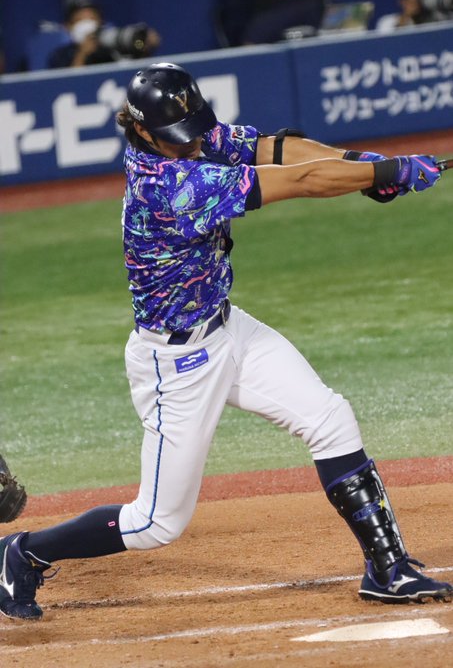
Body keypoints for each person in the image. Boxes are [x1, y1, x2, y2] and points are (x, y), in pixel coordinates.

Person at [0, 62, 451, 621]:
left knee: (330, 418)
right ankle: (22, 553)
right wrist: (386, 171)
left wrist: (363, 164)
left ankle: (387, 569)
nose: (193, 144)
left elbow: (275, 150)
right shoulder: (167, 188)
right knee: (155, 523)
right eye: (178, 137)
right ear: (140, 130)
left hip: (230, 329)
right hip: (178, 362)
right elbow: (300, 182)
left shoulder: (189, 137)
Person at [47, 0, 161, 69]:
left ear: (101, 22)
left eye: (92, 19)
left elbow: (131, 72)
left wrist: (144, 48)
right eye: (80, 20)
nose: (87, 24)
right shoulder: (60, 55)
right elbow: (64, 85)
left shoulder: (110, 48)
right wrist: (82, 54)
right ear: (68, 26)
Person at [376, 0, 453, 32]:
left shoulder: (442, 17)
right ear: (402, 1)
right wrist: (407, 17)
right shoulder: (387, 21)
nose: (420, 1)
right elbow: (390, 44)